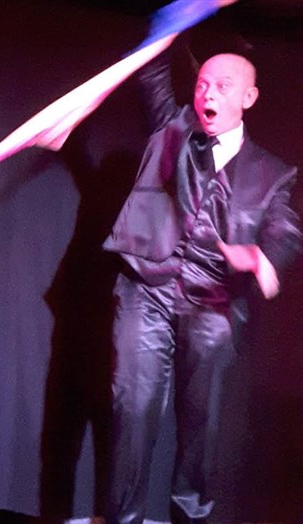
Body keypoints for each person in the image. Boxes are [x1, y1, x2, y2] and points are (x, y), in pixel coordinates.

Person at [102, 46, 302, 524]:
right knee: (132, 410)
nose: (208, 94)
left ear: (248, 98)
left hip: (213, 303)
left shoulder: (273, 173)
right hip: (147, 289)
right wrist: (178, 17)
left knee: (201, 426)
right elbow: (151, 69)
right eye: (202, 84)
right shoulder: (170, 127)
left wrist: (262, 258)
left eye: (222, 86)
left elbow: (285, 229)